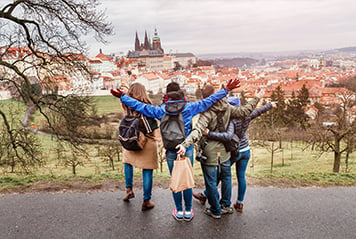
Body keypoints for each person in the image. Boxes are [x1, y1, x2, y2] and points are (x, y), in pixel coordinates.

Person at [110, 79, 240, 222]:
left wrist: (123, 97)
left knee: (176, 179)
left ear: (167, 95)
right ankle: (189, 211)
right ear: (180, 94)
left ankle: (179, 210)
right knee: (186, 179)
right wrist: (226, 90)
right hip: (186, 148)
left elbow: (140, 106)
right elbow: (208, 101)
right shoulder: (190, 107)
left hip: (171, 149)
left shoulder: (160, 110)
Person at [176, 84, 264, 219]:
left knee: (211, 182)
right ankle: (226, 206)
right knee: (226, 178)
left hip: (209, 152)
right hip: (224, 151)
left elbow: (197, 131)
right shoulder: (227, 107)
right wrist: (256, 98)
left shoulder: (207, 112)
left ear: (205, 98)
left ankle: (215, 210)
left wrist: (185, 144)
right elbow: (244, 111)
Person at [194, 97, 277, 213]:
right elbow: (257, 112)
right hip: (246, 149)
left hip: (235, 151)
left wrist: (209, 133)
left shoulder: (231, 121)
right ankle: (239, 203)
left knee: (222, 175)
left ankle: (205, 196)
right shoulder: (247, 116)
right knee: (241, 177)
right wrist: (269, 105)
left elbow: (227, 136)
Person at [120, 83, 162, 211]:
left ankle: (128, 190)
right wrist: (162, 144)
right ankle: (146, 200)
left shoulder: (127, 105)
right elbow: (155, 130)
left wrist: (125, 83)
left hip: (130, 140)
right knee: (147, 171)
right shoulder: (148, 108)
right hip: (147, 144)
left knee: (127, 163)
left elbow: (123, 94)